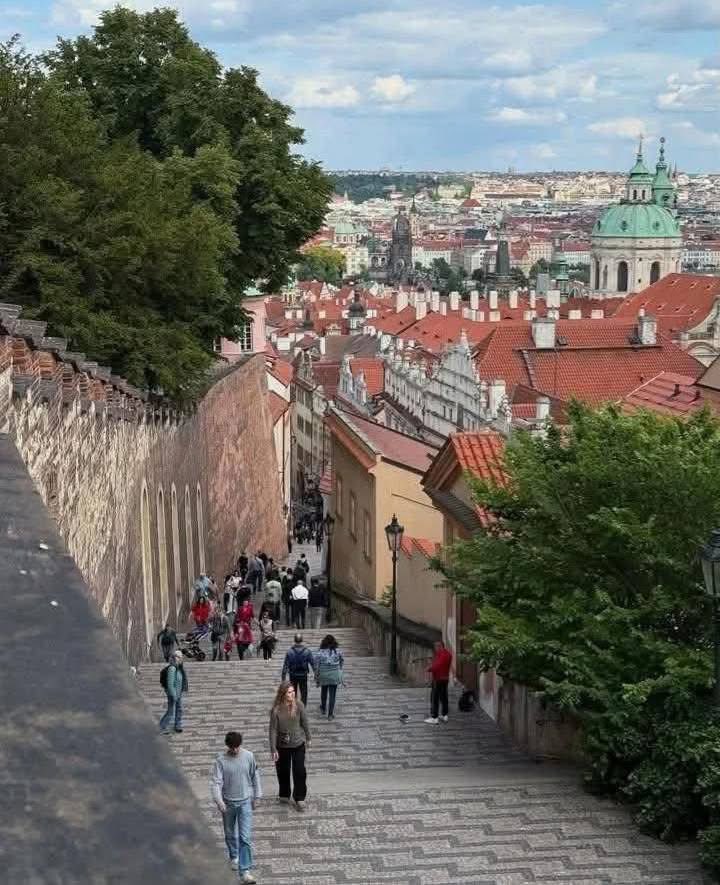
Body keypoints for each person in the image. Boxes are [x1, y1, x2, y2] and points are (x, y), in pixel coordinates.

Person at [210, 730, 262, 883]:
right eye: (232, 747)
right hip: (228, 804)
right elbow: (216, 783)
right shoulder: (220, 761)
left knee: (245, 837)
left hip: (245, 802)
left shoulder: (249, 756)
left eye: (237, 747)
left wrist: (257, 796)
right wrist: (219, 802)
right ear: (227, 746)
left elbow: (255, 776)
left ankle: (245, 870)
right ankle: (234, 855)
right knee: (230, 833)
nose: (235, 750)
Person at [269, 682, 311, 811]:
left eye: (293, 691)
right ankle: (284, 794)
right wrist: (273, 748)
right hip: (282, 745)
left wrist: (308, 737)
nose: (292, 694)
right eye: (289, 692)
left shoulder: (299, 705)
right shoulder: (276, 709)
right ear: (283, 694)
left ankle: (299, 798)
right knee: (283, 771)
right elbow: (273, 730)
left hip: (298, 744)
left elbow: (304, 722)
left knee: (299, 771)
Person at [314, 634, 344, 720]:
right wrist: (340, 669)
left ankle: (323, 708)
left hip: (323, 674)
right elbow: (342, 661)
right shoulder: (338, 651)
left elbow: (316, 665)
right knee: (332, 695)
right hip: (334, 675)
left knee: (324, 691)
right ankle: (330, 715)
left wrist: (316, 676)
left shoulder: (320, 652)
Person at [281, 633, 315, 706]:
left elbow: (285, 666)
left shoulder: (289, 651)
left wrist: (283, 678)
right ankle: (303, 707)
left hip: (293, 675)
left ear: (294, 640)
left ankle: (294, 707)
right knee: (304, 692)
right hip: (303, 674)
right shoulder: (307, 651)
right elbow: (313, 664)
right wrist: (316, 674)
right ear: (302, 640)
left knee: (293, 692)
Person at [425, 639, 454, 724]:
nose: (435, 648)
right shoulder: (447, 654)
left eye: (436, 646)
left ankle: (434, 717)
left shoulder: (442, 655)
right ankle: (445, 715)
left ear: (440, 646)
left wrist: (429, 668)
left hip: (438, 679)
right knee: (444, 697)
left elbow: (437, 666)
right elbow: (439, 664)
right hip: (445, 679)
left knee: (435, 698)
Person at [159, 650, 187, 734]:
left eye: (180, 657)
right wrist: (174, 695)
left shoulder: (179, 668)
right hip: (173, 694)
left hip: (178, 693)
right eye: (177, 657)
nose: (179, 659)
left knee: (179, 709)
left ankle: (177, 725)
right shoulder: (172, 668)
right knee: (170, 712)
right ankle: (161, 727)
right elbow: (170, 684)